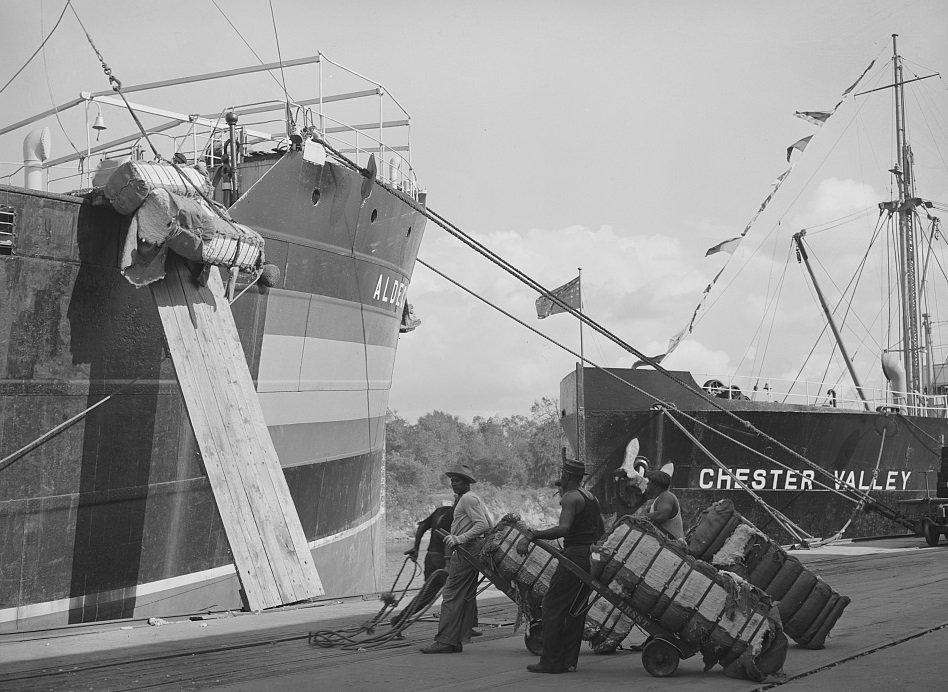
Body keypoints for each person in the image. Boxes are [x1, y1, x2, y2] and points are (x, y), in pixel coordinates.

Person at [516, 455, 604, 674]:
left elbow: (564, 528)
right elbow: (601, 531)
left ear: (567, 476)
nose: (560, 478)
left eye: (562, 474)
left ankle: (551, 662)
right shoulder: (591, 497)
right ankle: (569, 661)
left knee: (552, 605)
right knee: (575, 610)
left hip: (575, 555)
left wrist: (534, 534)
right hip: (590, 556)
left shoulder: (571, 497)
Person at [419, 463, 491, 654]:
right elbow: (488, 524)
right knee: (464, 596)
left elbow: (483, 525)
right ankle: (454, 640)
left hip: (466, 551)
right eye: (452, 481)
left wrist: (460, 538)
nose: (453, 484)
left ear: (467, 482)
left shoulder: (468, 499)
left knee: (450, 595)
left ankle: (445, 641)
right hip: (469, 550)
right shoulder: (470, 499)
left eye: (457, 481)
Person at [643, 468, 684, 540]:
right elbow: (646, 513)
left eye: (650, 481)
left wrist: (643, 516)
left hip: (672, 548)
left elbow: (661, 516)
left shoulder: (667, 496)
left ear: (655, 485)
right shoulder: (658, 499)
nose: (647, 483)